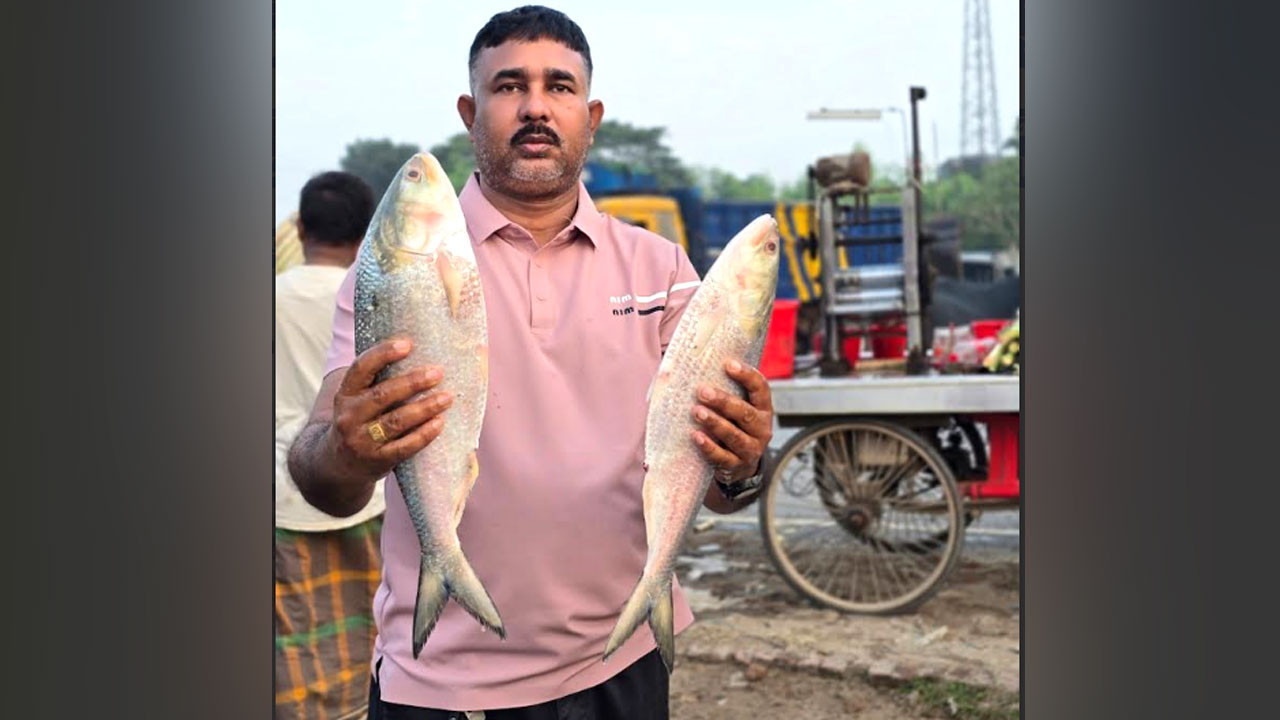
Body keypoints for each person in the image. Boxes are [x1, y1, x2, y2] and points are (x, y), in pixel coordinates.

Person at [287, 7, 775, 718]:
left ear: (592, 114)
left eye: (560, 87)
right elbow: (322, 481)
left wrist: (744, 461)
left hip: (620, 661)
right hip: (442, 682)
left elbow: (721, 489)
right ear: (470, 109)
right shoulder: (401, 266)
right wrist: (344, 447)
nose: (537, 107)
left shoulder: (663, 265)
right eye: (510, 86)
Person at [275, 170, 385, 720]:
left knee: (296, 644)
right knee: (372, 634)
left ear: (299, 227)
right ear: (368, 234)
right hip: (370, 494)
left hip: (283, 501)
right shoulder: (375, 301)